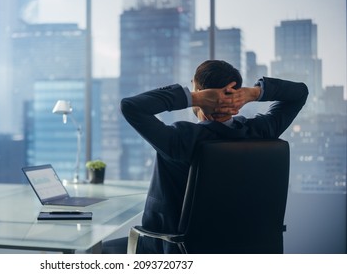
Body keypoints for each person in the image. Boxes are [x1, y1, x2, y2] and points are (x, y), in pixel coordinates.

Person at [103, 60, 309, 254]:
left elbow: (131, 106)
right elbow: (300, 93)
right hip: (240, 252)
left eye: (195, 90)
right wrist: (254, 93)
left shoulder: (181, 139)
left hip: (170, 249)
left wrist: (195, 98)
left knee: (98, 252)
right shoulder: (261, 132)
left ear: (200, 92)